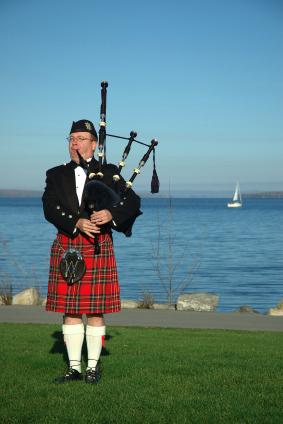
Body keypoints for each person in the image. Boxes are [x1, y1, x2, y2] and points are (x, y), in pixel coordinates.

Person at [42, 119, 141, 384]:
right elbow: (49, 207)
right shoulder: (55, 174)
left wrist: (111, 213)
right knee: (70, 310)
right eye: (71, 138)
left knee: (96, 310)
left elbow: (133, 201)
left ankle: (92, 368)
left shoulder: (110, 173)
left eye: (81, 138)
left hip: (97, 246)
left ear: (94, 143)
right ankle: (74, 368)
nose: (75, 143)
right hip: (68, 245)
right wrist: (75, 222)